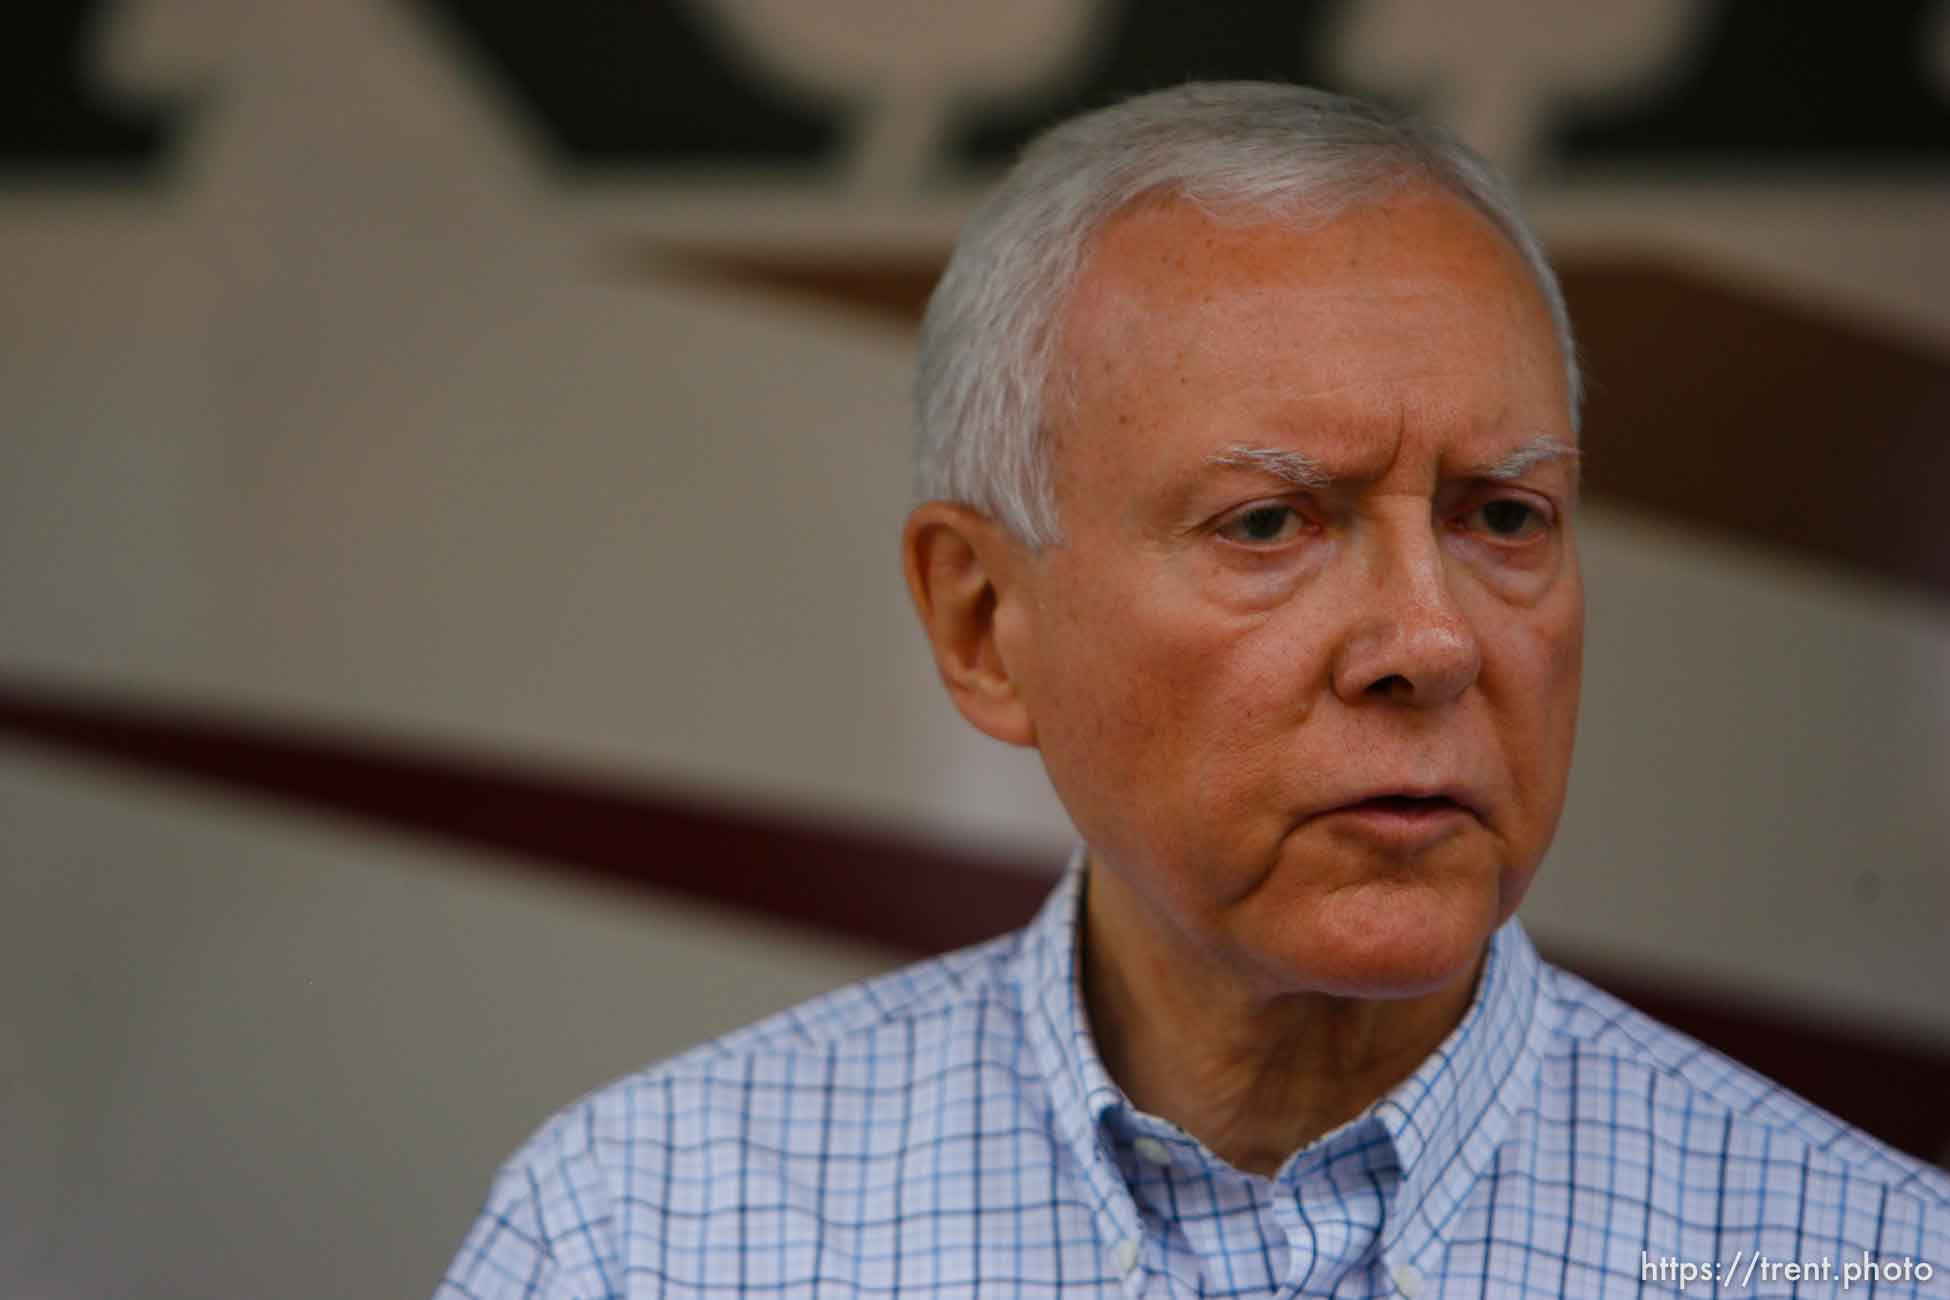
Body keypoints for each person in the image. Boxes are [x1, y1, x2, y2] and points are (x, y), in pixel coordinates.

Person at [436, 82, 1949, 1298]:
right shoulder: (653, 1237)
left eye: (1500, 515)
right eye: (1269, 524)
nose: (1427, 641)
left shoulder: (1858, 1262)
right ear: (982, 622)